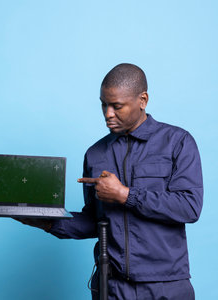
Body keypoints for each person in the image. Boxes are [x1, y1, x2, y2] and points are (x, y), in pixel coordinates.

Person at [16, 63, 203, 300]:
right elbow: (95, 222)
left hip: (165, 285)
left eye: (117, 106)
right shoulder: (95, 154)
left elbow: (189, 207)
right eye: (103, 104)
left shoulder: (178, 142)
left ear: (142, 100)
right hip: (111, 288)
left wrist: (125, 195)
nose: (107, 114)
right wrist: (48, 222)